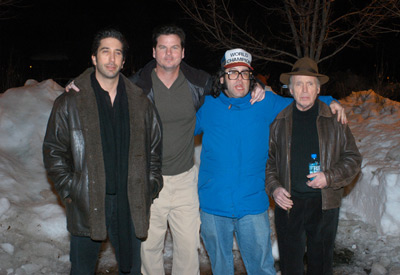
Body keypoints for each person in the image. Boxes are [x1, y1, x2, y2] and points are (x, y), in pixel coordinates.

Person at [194, 49, 346, 275]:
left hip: (252, 204)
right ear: (222, 78)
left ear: (251, 77)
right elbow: (179, 129)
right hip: (214, 205)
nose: (239, 79)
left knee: (262, 269)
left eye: (245, 74)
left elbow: (302, 100)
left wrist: (331, 101)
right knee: (221, 269)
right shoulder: (207, 107)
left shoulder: (266, 103)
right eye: (233, 73)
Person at [42, 28, 163, 275]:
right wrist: (71, 189)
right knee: (82, 270)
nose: (111, 58)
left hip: (129, 202)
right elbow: (54, 150)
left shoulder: (140, 103)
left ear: (124, 61)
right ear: (94, 58)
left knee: (131, 270)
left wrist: (149, 186)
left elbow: (155, 149)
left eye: (117, 53)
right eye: (105, 51)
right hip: (87, 199)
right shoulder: (70, 102)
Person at [265, 57, 362, 275]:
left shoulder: (335, 120)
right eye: (299, 83)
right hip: (288, 208)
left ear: (318, 89)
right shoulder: (279, 123)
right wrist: (274, 188)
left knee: (321, 266)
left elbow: (353, 158)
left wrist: (329, 177)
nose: (304, 89)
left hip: (324, 206)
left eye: (310, 83)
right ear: (290, 89)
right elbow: (270, 163)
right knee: (291, 268)